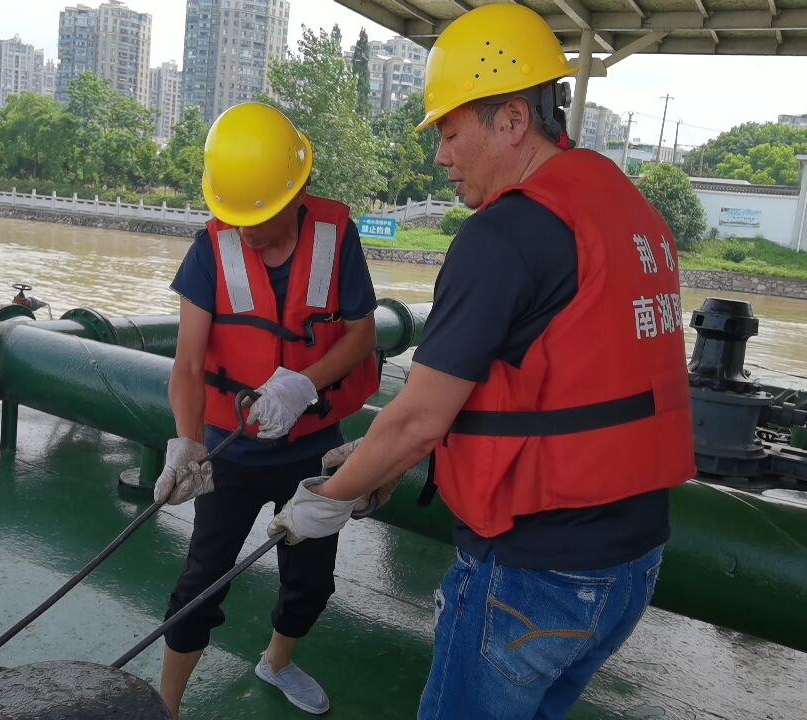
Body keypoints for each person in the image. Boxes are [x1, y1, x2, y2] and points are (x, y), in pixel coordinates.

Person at [267, 5, 697, 720]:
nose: (441, 156)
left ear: (513, 120)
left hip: (535, 572)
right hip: (631, 564)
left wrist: (327, 499)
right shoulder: (630, 211)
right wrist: (372, 467)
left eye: (449, 131)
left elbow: (419, 420)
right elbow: (551, 380)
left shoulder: (502, 235)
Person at [154, 101, 380, 719]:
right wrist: (187, 443)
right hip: (229, 451)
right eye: (233, 215)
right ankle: (167, 706)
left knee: (311, 578)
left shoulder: (336, 236)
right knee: (200, 582)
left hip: (313, 448)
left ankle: (276, 662)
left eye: (258, 216)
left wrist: (301, 385)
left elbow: (361, 333)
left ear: (297, 191)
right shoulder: (211, 248)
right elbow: (189, 365)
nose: (244, 229)